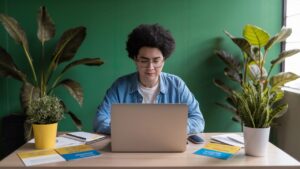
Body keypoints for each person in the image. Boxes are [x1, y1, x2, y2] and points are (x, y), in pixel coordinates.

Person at [93, 24, 205, 135]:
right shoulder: (120, 86)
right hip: (130, 146)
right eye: (144, 60)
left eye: (156, 61)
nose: (150, 67)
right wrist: (125, 129)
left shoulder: (176, 85)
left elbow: (198, 119)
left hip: (167, 145)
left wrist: (176, 128)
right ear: (135, 60)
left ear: (163, 60)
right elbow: (100, 120)